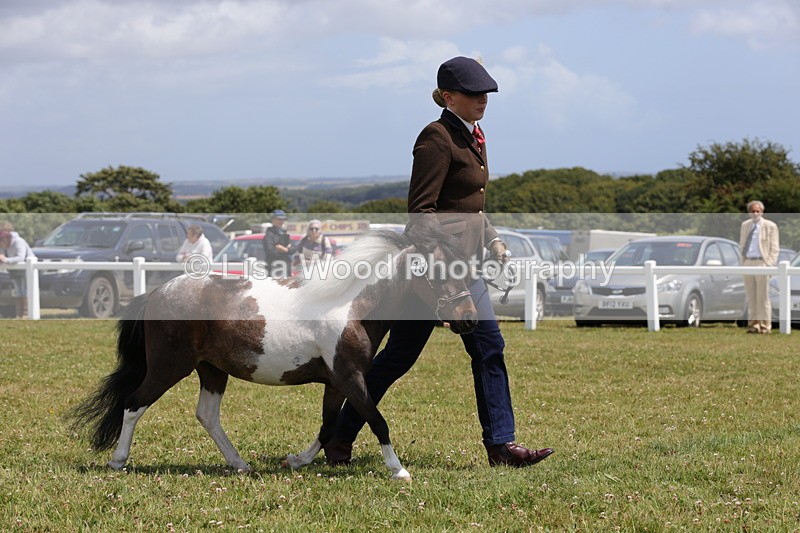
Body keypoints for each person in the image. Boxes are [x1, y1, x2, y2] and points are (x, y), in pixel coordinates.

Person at [324, 56, 553, 468]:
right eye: (473, 94)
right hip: (439, 272)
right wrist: (443, 276)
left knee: (488, 349)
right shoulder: (436, 137)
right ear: (448, 97)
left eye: (486, 94)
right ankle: (339, 438)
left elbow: (470, 208)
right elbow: (422, 213)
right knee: (397, 359)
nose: (483, 100)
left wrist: (494, 240)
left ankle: (501, 446)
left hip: (466, 269)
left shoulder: (475, 135)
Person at [739, 200, 779, 334]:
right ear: (749, 212)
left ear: (762, 211)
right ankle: (753, 325)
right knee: (751, 297)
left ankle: (765, 326)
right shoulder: (745, 225)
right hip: (748, 262)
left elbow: (774, 248)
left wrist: (769, 264)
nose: (755, 213)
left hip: (762, 262)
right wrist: (743, 262)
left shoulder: (770, 226)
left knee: (763, 298)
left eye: (758, 211)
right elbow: (742, 244)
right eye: (753, 211)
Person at [0, 223, 36, 318]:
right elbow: (3, 254)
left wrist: (5, 260)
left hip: (25, 269)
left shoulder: (18, 242)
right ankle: (19, 313)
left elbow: (20, 257)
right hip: (14, 270)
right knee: (18, 291)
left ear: (7, 238)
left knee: (24, 290)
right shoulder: (4, 245)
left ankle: (25, 313)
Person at [262, 209, 292, 277]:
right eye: (279, 219)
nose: (281, 221)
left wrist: (285, 250)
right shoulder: (269, 234)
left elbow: (293, 248)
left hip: (286, 268)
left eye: (283, 219)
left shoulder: (284, 232)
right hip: (275, 267)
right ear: (273, 220)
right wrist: (286, 250)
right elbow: (271, 251)